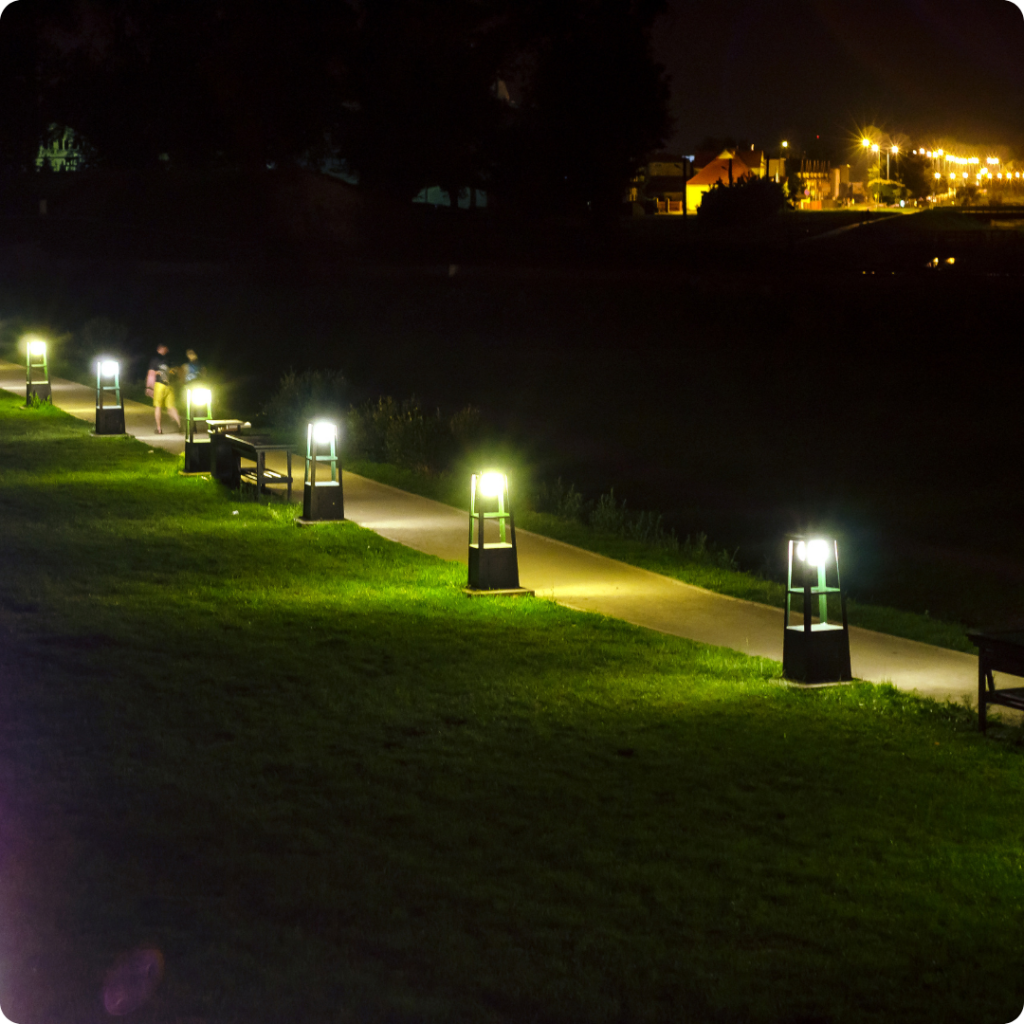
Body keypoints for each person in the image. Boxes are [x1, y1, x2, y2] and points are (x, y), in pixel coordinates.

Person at [145, 343, 181, 434]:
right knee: (171, 407)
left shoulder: (155, 359)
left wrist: (149, 387)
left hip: (159, 385)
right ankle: (179, 424)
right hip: (169, 386)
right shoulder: (168, 360)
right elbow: (174, 372)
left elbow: (151, 373)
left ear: (158, 349)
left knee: (158, 407)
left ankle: (159, 429)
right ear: (163, 349)